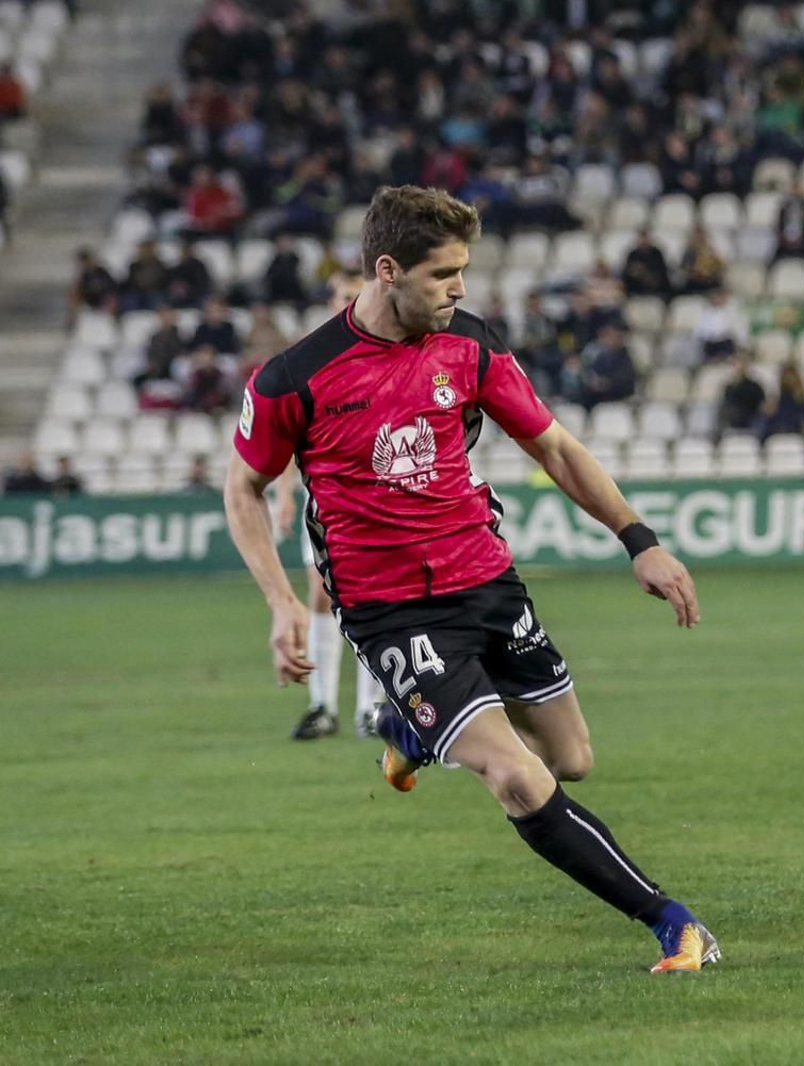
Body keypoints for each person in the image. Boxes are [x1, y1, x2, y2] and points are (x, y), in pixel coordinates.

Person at [223, 186, 720, 973]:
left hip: (486, 579)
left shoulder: (471, 344)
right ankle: (673, 921)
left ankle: (412, 729)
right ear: (386, 271)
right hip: (387, 608)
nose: (460, 288)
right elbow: (242, 488)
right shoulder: (296, 377)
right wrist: (282, 599)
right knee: (517, 779)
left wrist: (640, 541)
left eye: (463, 271)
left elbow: (554, 447)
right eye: (443, 274)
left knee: (572, 759)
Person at [269, 272, 389, 741]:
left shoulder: (385, 357)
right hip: (326, 506)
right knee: (321, 595)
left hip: (380, 505)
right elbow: (284, 438)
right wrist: (282, 496)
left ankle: (370, 707)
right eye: (343, 296)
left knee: (372, 601)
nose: (350, 303)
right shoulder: (310, 362)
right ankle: (322, 705)